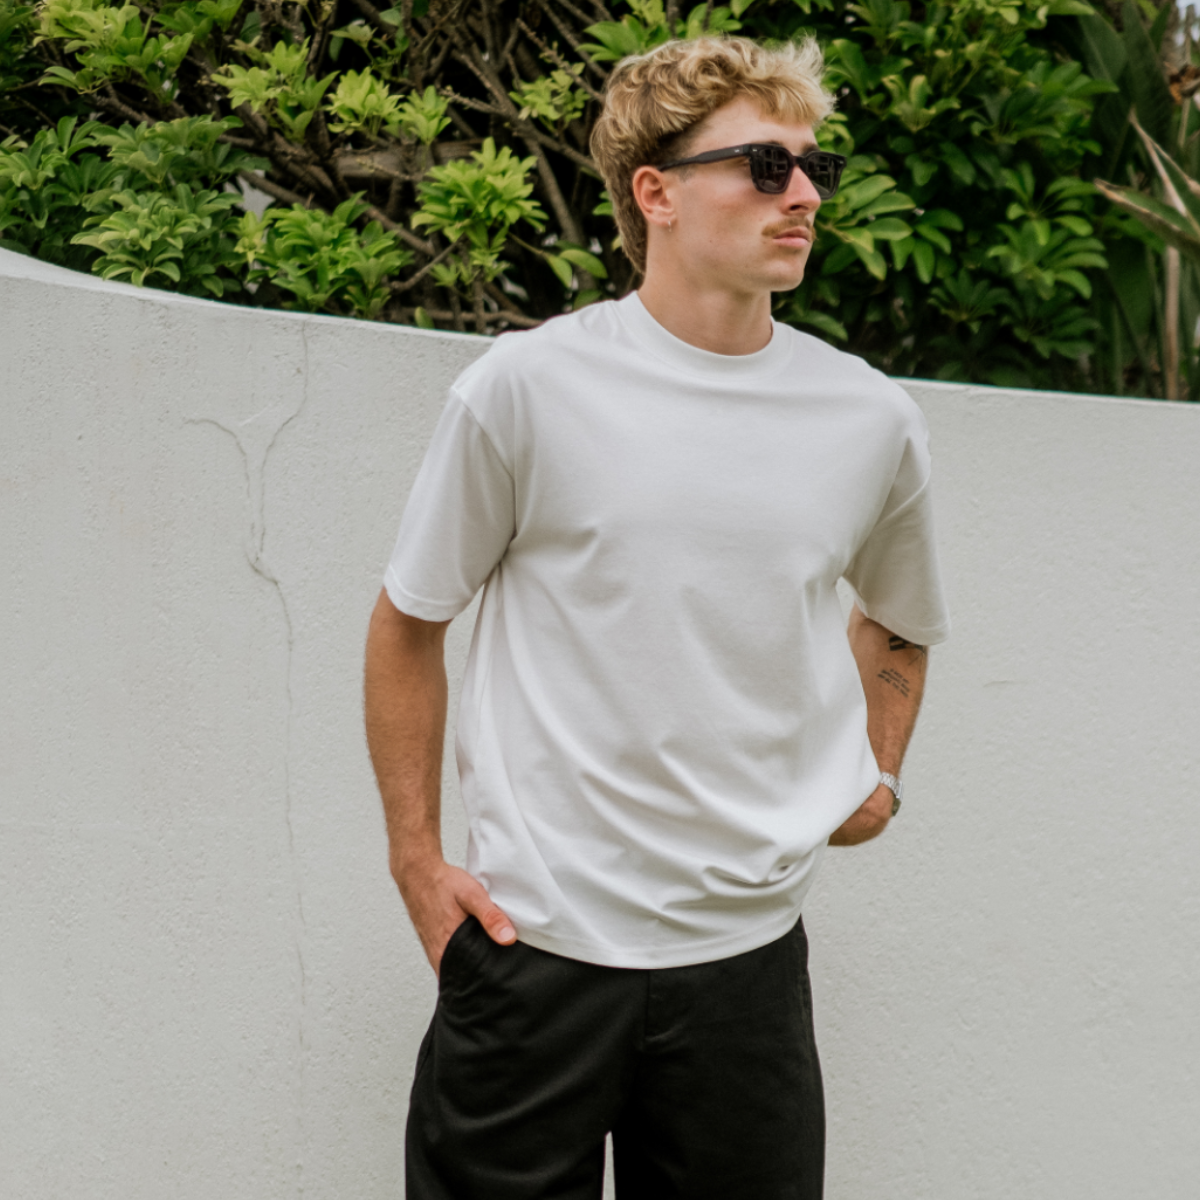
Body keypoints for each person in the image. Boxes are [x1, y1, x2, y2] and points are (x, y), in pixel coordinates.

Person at [364, 34, 950, 1200]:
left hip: (747, 970)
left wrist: (876, 775)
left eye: (815, 166)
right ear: (656, 193)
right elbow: (408, 624)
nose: (804, 195)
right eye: (765, 166)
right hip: (533, 955)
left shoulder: (868, 416)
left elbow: (898, 620)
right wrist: (419, 866)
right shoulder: (526, 388)